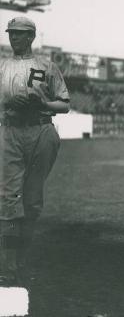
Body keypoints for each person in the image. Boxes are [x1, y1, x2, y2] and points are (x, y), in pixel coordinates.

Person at [0, 17, 70, 286]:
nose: (13, 38)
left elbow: (64, 105)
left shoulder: (46, 66)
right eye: (11, 34)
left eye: (19, 34)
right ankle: (7, 265)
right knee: (6, 199)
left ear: (30, 37)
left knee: (31, 201)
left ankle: (23, 260)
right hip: (11, 131)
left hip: (41, 130)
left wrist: (44, 102)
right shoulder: (3, 67)